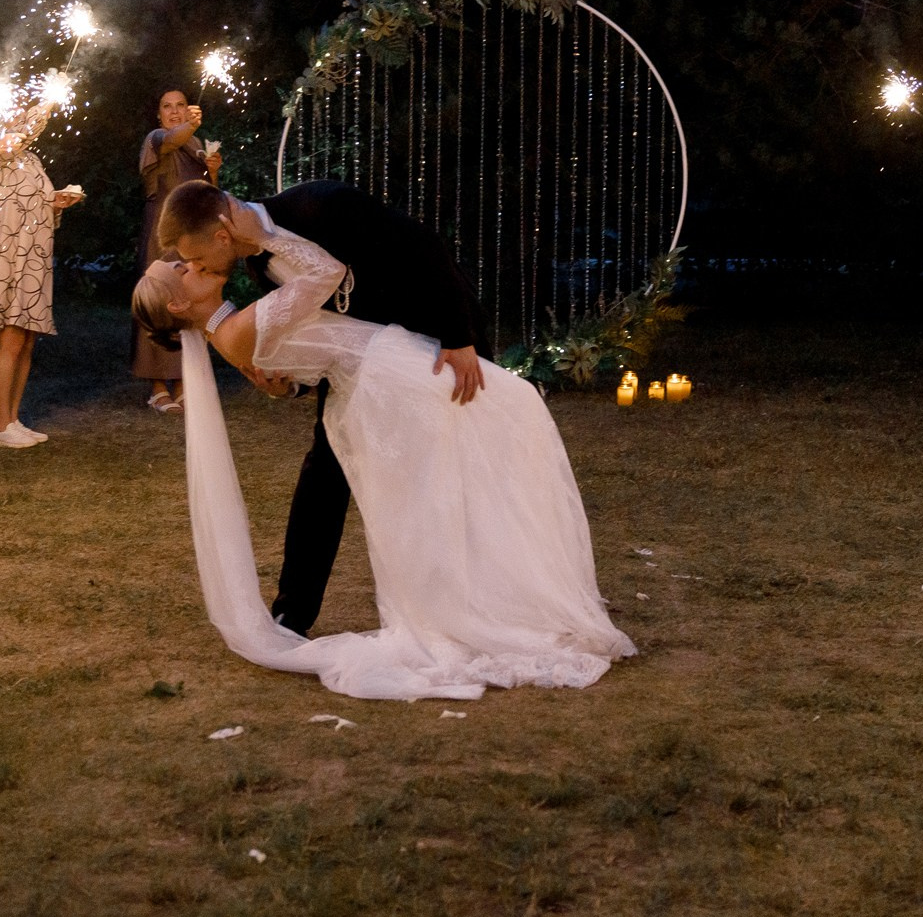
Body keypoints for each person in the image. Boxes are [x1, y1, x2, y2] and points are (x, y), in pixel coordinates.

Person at [136, 227, 633, 700]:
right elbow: (324, 273)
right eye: (182, 269)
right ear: (180, 305)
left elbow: (303, 358)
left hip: (383, 372)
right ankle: (490, 603)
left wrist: (284, 384)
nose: (193, 262)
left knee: (481, 448)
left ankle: (497, 594)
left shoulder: (236, 328)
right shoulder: (238, 331)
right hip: (390, 373)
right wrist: (262, 233)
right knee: (511, 412)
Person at [160, 178, 486, 636]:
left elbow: (424, 248)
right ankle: (292, 613)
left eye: (195, 258)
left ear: (221, 234)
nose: (195, 267)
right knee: (325, 473)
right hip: (366, 368)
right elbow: (316, 334)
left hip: (441, 338)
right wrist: (288, 389)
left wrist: (459, 337)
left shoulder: (319, 204)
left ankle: (481, 594)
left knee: (469, 458)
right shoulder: (258, 265)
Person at [0, 103, 85, 448]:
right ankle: (1, 425)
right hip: (8, 256)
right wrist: (47, 102)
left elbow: (34, 203)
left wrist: (56, 203)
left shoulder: (31, 160)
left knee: (26, 339)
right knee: (9, 337)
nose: (21, 121)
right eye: (13, 114)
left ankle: (12, 418)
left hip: (34, 258)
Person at [138, 89, 222, 412]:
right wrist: (189, 125)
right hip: (161, 230)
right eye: (167, 107)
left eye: (180, 106)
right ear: (159, 115)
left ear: (188, 108)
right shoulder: (156, 138)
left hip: (190, 233)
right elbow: (172, 139)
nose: (174, 111)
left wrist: (213, 169)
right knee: (159, 301)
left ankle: (185, 383)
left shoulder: (197, 146)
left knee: (189, 302)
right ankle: (158, 386)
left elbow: (209, 193)